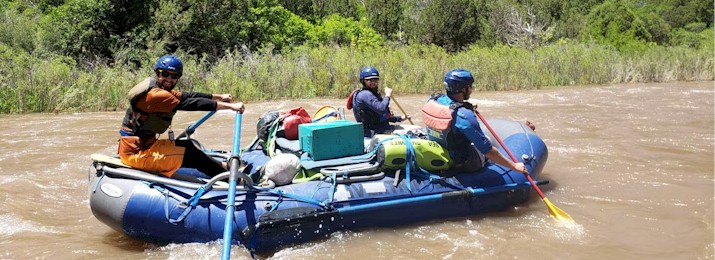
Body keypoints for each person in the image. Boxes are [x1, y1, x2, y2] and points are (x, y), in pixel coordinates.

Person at [117, 54, 245, 180]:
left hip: (148, 145)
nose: (169, 79)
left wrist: (218, 96)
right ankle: (235, 182)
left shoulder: (161, 89)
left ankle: (222, 167)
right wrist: (231, 107)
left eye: (174, 76)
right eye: (165, 74)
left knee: (187, 145)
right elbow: (192, 104)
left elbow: (187, 96)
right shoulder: (155, 95)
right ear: (157, 73)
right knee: (192, 155)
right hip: (136, 153)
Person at [421, 69, 527, 175]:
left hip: (436, 151)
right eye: (470, 87)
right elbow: (488, 151)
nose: (471, 90)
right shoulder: (464, 116)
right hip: (459, 161)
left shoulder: (434, 99)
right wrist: (514, 166)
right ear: (463, 89)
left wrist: (466, 106)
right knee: (488, 140)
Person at [347, 67, 409, 137]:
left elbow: (380, 117)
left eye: (375, 80)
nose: (373, 82)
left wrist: (399, 118)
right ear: (363, 81)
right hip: (374, 133)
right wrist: (387, 95)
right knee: (412, 131)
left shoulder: (373, 94)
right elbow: (381, 109)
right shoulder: (365, 95)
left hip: (382, 128)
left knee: (415, 129)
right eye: (369, 80)